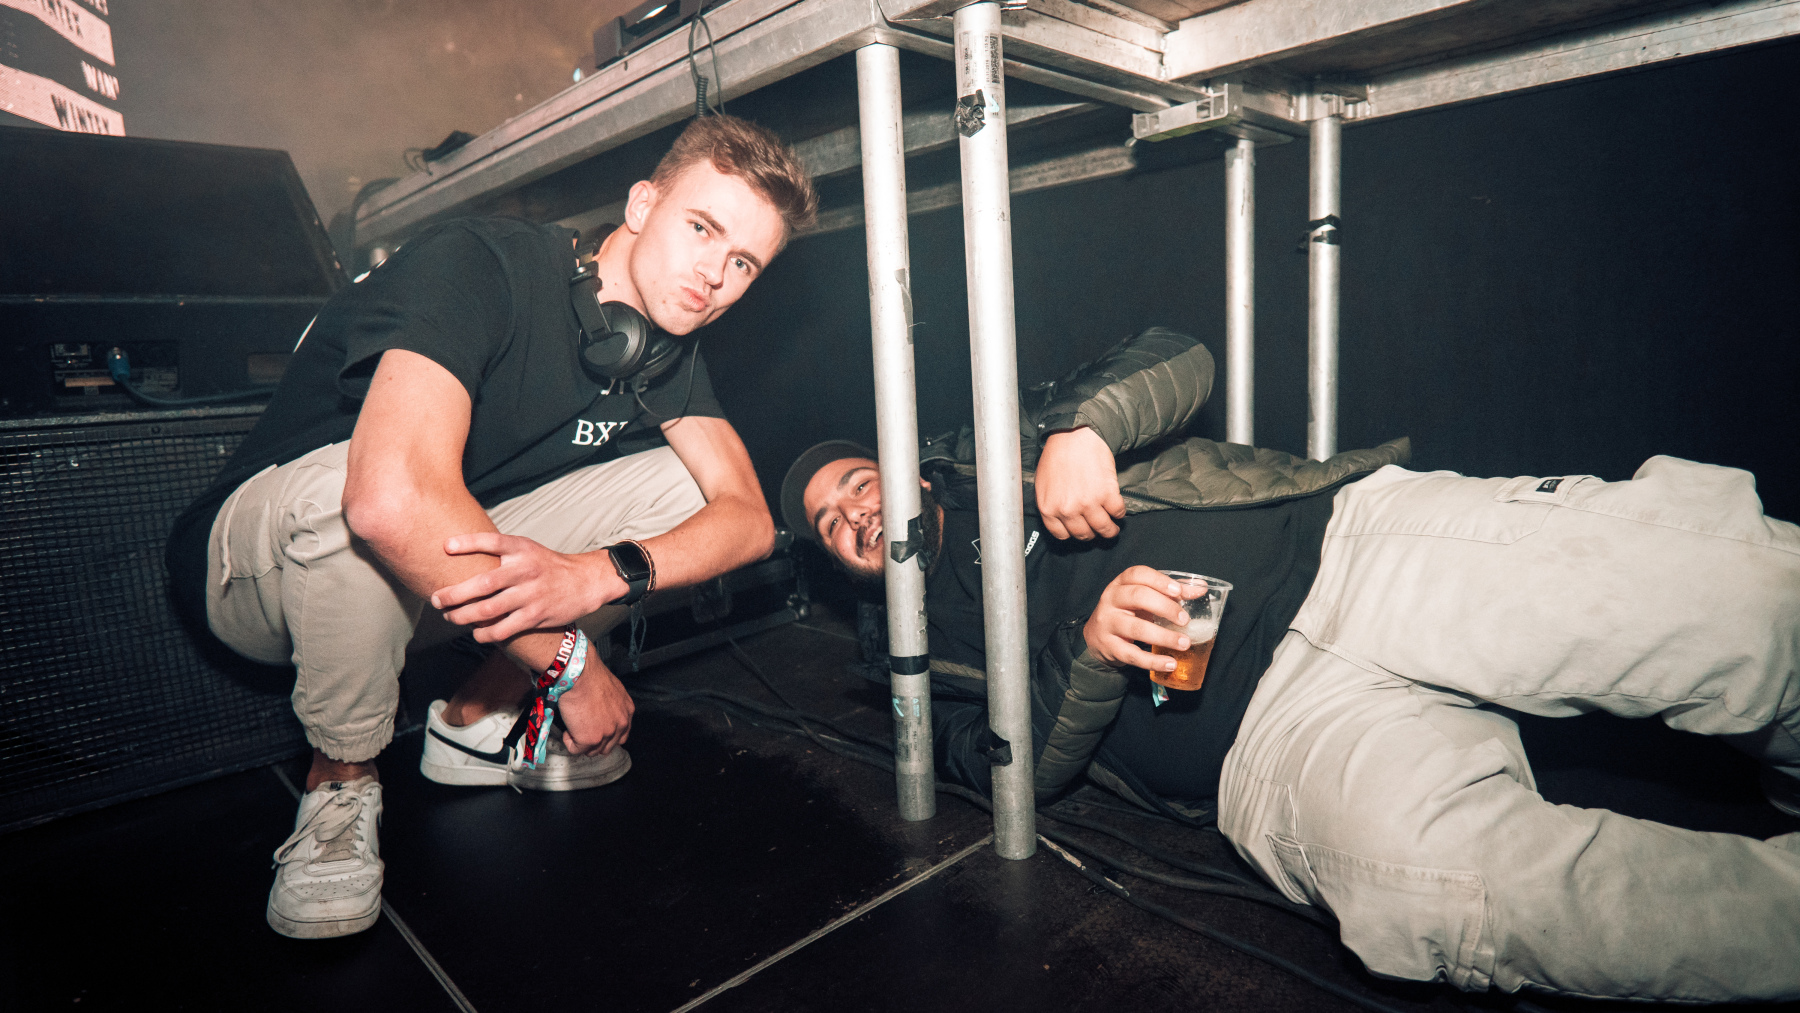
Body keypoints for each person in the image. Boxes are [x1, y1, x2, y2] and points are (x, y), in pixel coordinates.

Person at [781, 327, 1800, 1002]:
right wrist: (1087, 647)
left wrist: (1082, 427)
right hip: (1276, 742)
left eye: (856, 482)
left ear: (906, 468)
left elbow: (1178, 356)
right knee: (1441, 892)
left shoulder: (999, 445)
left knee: (1724, 590)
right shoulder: (917, 677)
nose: (853, 513)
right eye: (830, 522)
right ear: (836, 563)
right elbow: (1019, 773)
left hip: (1352, 549)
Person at [164, 114, 818, 939]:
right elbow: (387, 503)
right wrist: (573, 663)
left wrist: (595, 574)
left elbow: (748, 518)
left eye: (744, 263)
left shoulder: (661, 352)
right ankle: (340, 781)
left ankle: (471, 722)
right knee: (356, 487)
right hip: (266, 569)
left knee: (683, 489)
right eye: (702, 229)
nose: (714, 275)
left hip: (424, 584)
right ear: (642, 204)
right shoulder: (480, 261)